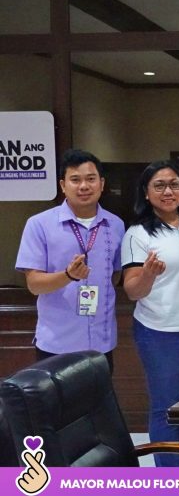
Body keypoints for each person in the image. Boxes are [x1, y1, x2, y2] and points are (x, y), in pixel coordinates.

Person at [121, 160, 179, 467]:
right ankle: (171, 480)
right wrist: (148, 273)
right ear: (146, 193)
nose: (168, 191)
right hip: (161, 333)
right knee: (168, 409)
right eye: (159, 186)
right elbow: (133, 290)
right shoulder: (138, 233)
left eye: (175, 184)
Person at [15, 149, 124, 372]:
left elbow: (115, 275)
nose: (84, 186)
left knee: (97, 406)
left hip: (101, 343)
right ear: (63, 185)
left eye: (91, 179)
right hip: (57, 344)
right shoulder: (39, 224)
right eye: (75, 180)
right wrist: (68, 276)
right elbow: (34, 284)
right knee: (56, 407)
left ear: (102, 184)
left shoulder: (116, 225)